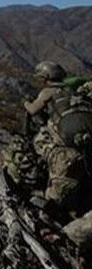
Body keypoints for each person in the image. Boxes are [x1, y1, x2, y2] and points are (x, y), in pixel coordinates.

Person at [27, 61, 92, 215]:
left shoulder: (48, 92)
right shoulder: (73, 89)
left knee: (40, 141)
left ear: (45, 78)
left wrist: (25, 102)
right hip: (86, 135)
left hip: (65, 143)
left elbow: (32, 110)